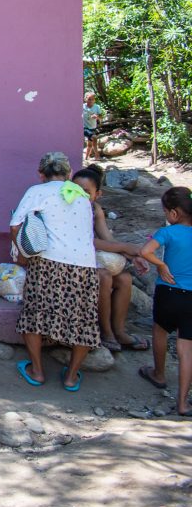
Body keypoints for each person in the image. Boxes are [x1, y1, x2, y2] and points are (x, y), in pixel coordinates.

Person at [9, 151, 99, 393]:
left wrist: (22, 254)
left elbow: (15, 225)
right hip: (84, 265)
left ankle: (37, 371)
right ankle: (71, 376)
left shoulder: (37, 191)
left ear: (41, 174)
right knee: (83, 321)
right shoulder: (81, 196)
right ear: (69, 173)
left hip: (48, 262)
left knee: (35, 315)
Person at [72, 167, 150, 352]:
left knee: (125, 279)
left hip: (89, 260)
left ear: (97, 194)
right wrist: (126, 247)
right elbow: (86, 241)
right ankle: (106, 332)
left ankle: (119, 331)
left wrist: (131, 257)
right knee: (104, 277)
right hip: (71, 262)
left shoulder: (95, 209)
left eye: (86, 192)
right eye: (75, 190)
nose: (80, 196)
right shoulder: (67, 209)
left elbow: (107, 239)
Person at [138, 187, 192, 414]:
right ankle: (182, 402)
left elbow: (145, 251)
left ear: (174, 213)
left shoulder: (168, 232)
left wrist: (160, 265)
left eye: (165, 212)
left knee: (160, 331)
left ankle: (159, 374)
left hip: (168, 293)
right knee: (186, 348)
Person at [83, 92, 104, 160]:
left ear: (94, 100)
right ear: (85, 99)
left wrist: (97, 116)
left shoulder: (97, 107)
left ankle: (86, 157)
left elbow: (101, 117)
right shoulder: (82, 106)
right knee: (94, 138)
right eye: (89, 99)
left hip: (93, 127)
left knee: (90, 143)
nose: (91, 101)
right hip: (84, 127)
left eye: (92, 99)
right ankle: (97, 156)